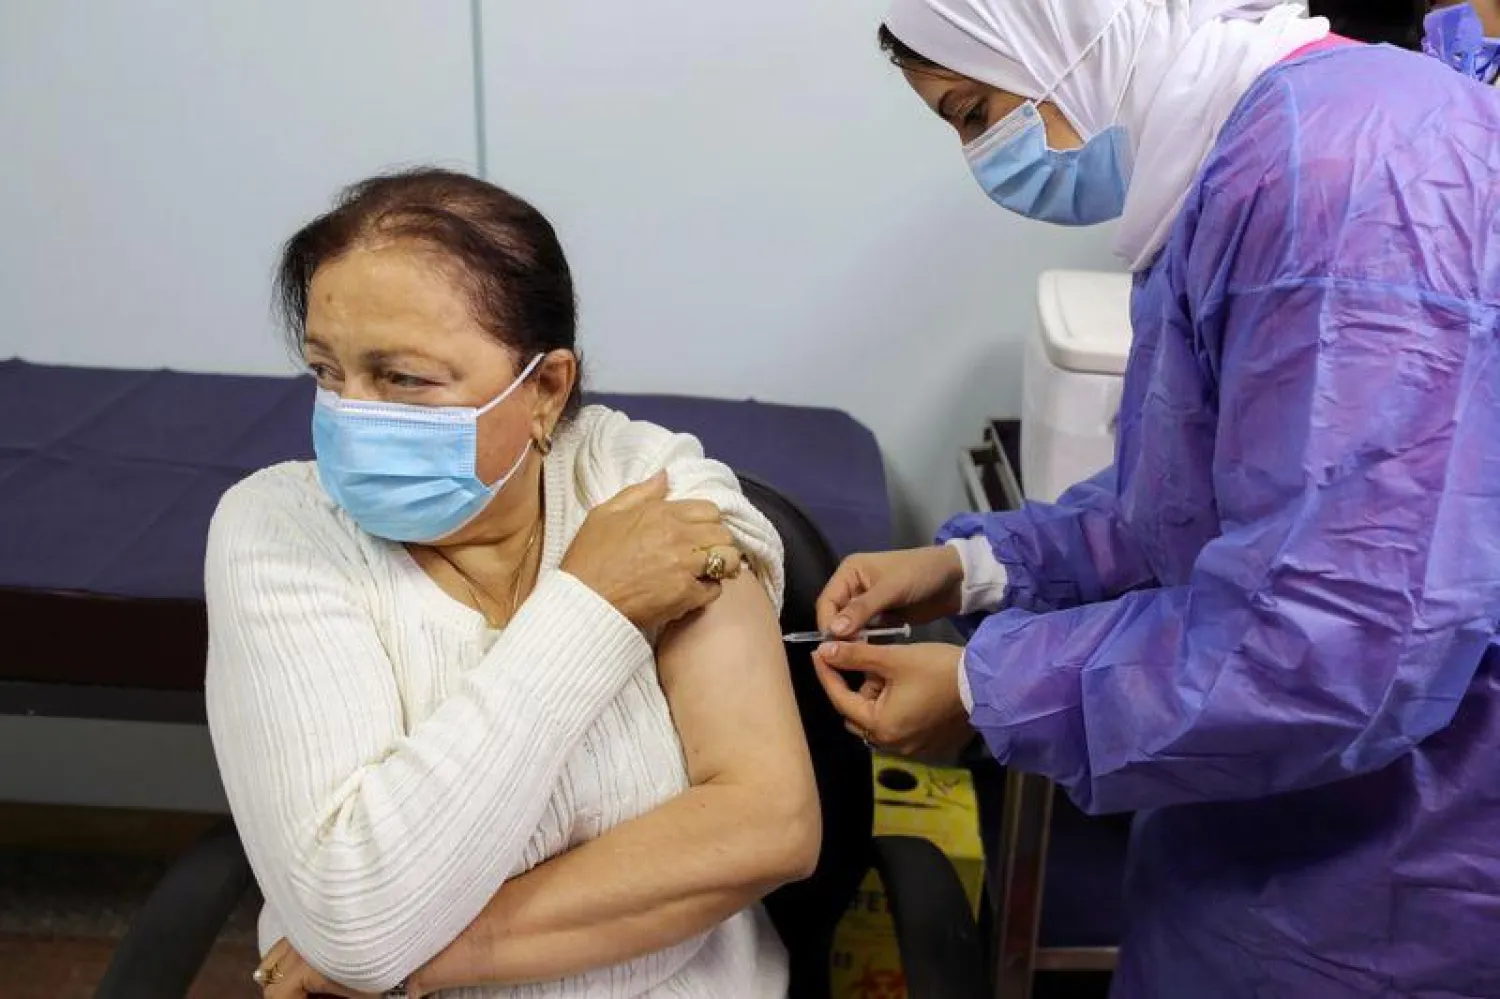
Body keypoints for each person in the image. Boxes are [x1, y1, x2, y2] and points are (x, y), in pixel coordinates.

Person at [813, 2, 1500, 996]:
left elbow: (1337, 643)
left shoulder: (1350, 177)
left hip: (1396, 876)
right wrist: (975, 567)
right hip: (1270, 834)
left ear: (1071, 25)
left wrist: (984, 690)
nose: (985, 158)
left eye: (975, 110)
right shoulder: (1252, 156)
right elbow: (1195, 505)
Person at [206, 169, 819, 999]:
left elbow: (769, 825)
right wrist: (593, 607)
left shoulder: (641, 482)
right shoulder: (277, 530)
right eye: (327, 371)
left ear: (544, 388)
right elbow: (352, 916)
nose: (352, 415)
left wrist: (425, 961)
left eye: (404, 379)